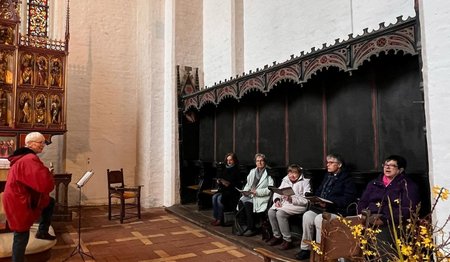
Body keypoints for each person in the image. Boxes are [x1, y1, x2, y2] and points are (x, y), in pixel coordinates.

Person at [2, 132, 56, 262]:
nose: (43, 145)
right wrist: (48, 174)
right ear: (30, 144)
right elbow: (45, 185)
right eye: (40, 142)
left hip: (17, 197)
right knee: (21, 234)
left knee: (49, 202)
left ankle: (42, 231)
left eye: (43, 142)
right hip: (19, 200)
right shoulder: (29, 159)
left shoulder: (24, 157)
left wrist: (44, 173)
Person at [357, 155, 419, 261]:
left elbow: (408, 209)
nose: (387, 167)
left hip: (392, 221)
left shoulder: (407, 185)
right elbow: (362, 201)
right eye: (386, 165)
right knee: (348, 229)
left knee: (379, 234)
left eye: (392, 165)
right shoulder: (374, 183)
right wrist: (361, 213)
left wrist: (385, 219)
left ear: (400, 170)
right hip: (369, 217)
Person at [295, 153, 357, 260]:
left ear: (339, 165)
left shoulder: (347, 179)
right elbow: (320, 191)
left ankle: (321, 251)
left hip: (337, 211)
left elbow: (348, 199)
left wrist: (330, 202)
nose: (328, 165)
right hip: (323, 208)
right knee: (307, 215)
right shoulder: (327, 176)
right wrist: (316, 199)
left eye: (331, 163)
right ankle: (306, 249)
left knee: (320, 219)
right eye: (327, 162)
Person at [267, 164, 311, 250]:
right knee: (271, 212)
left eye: (295, 173)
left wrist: (292, 199)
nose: (292, 175)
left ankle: (287, 240)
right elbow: (278, 191)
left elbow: (306, 200)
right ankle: (277, 236)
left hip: (297, 205)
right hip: (285, 203)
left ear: (299, 173)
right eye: (290, 173)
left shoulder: (305, 182)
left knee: (280, 213)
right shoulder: (286, 179)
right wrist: (277, 200)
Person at [236, 153, 274, 237]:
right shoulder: (253, 171)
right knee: (241, 201)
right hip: (251, 194)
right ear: (255, 162)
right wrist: (245, 191)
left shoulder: (269, 172)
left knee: (247, 204)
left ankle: (251, 228)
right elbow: (248, 184)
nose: (259, 163)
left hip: (261, 197)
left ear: (265, 162)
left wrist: (257, 192)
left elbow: (270, 189)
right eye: (257, 161)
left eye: (261, 161)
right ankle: (243, 226)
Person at [211, 152, 241, 226]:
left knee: (219, 199)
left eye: (230, 160)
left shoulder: (236, 169)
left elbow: (236, 183)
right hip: (224, 190)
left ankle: (220, 219)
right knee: (214, 197)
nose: (229, 162)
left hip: (232, 191)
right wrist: (219, 181)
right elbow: (221, 178)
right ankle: (216, 217)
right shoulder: (225, 168)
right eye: (227, 160)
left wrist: (227, 183)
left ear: (234, 160)